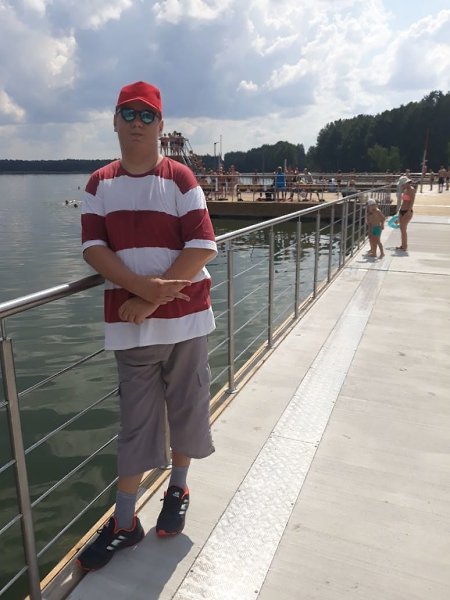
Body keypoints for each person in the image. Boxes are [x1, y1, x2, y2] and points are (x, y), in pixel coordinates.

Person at [78, 81, 217, 571]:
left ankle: (177, 489)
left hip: (186, 322)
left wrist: (148, 297)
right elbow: (93, 249)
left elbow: (202, 245)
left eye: (146, 115)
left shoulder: (180, 177)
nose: (137, 123)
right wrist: (142, 290)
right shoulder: (98, 184)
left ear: (161, 125)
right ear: (114, 121)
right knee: (135, 422)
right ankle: (125, 522)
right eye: (128, 114)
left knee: (186, 406)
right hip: (132, 325)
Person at [397, 178, 415, 251]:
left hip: (407, 211)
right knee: (402, 229)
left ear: (407, 183)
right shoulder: (405, 190)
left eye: (402, 184)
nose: (401, 186)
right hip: (402, 210)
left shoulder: (412, 190)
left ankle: (405, 246)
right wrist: (399, 212)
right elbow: (403, 202)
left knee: (403, 229)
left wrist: (408, 212)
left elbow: (412, 202)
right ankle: (403, 245)